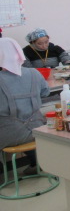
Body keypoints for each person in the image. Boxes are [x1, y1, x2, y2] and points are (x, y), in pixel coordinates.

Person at [0, 39, 49, 168]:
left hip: (8, 135)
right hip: (38, 129)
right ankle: (36, 164)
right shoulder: (34, 73)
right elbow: (45, 92)